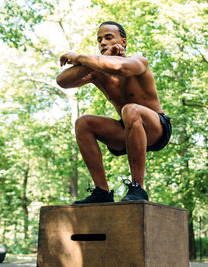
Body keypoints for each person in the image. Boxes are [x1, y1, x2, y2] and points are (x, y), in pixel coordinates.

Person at [56, 21, 171, 204]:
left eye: (108, 38)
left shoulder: (137, 61)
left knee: (130, 109)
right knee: (83, 123)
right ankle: (102, 191)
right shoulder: (96, 73)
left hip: (155, 128)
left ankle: (138, 188)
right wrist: (90, 63)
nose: (102, 43)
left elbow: (121, 68)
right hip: (127, 131)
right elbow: (62, 81)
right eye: (99, 39)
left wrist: (79, 57)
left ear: (123, 41)